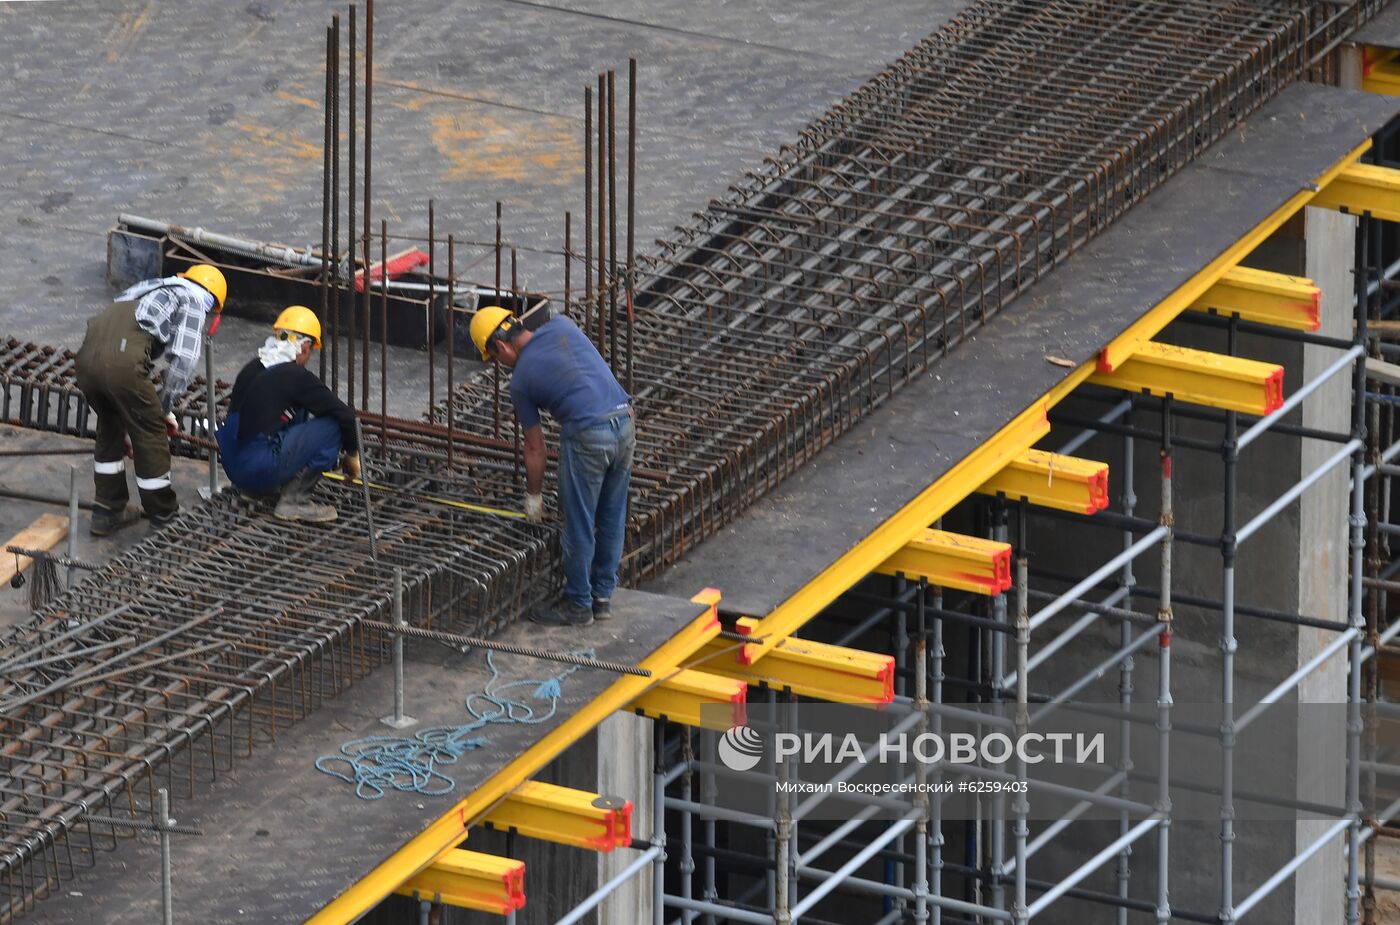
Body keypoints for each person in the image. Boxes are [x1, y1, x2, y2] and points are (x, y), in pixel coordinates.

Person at [470, 307, 634, 627]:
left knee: (578, 521)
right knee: (612, 515)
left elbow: (535, 448)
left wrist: (534, 496)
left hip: (589, 434)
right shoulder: (563, 324)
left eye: (495, 357)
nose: (499, 364)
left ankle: (578, 603)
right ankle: (602, 597)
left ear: (502, 347)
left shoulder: (520, 381)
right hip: (626, 422)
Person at [74, 264, 227, 535]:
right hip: (121, 366)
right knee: (150, 434)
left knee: (110, 429)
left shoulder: (143, 290)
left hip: (86, 362)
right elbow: (183, 359)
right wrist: (163, 407)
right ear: (212, 300)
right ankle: (164, 515)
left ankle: (106, 512)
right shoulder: (192, 299)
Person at [215, 306, 360, 522]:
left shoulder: (253, 367)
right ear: (305, 347)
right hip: (257, 466)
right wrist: (352, 454)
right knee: (332, 426)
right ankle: (295, 501)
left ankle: (255, 489)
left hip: (235, 467)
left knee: (295, 408)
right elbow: (345, 416)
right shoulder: (296, 376)